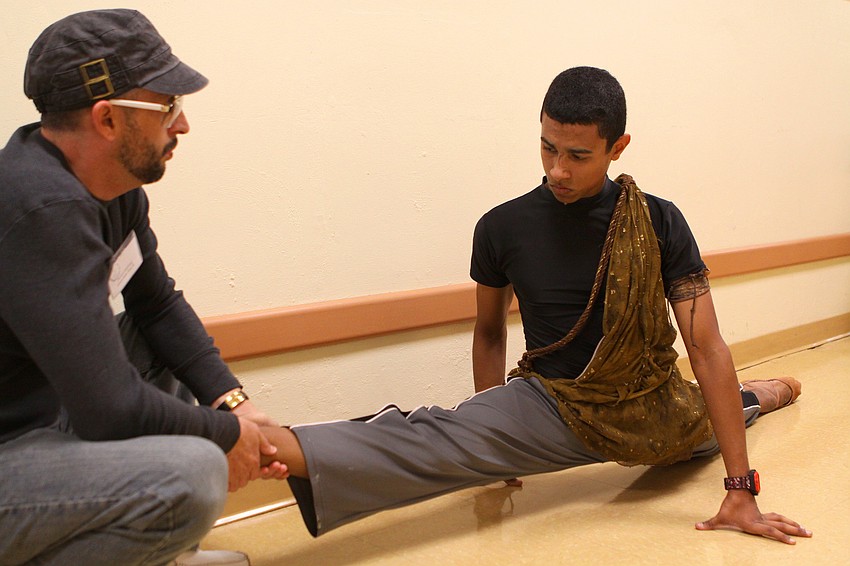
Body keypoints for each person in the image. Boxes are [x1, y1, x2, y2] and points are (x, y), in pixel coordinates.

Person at [257, 66, 811, 546]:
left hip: (653, 401)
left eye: (578, 155)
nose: (558, 170)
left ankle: (758, 394)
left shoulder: (658, 221)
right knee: (435, 435)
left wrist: (741, 491)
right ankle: (274, 444)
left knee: (716, 421)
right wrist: (491, 440)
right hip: (552, 406)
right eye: (547, 147)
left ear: (617, 148)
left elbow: (706, 346)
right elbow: (491, 333)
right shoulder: (501, 227)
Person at [0, 9, 286, 566]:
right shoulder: (39, 206)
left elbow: (156, 305)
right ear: (107, 119)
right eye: (167, 106)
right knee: (190, 475)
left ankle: (157, 555)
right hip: (11, 448)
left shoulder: (113, 190)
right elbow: (110, 410)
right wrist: (225, 435)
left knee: (153, 349)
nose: (181, 125)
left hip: (42, 419)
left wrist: (235, 405)